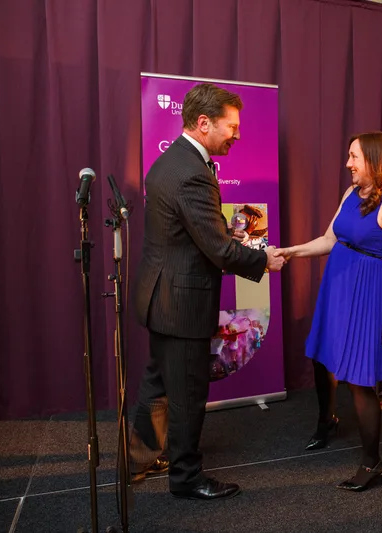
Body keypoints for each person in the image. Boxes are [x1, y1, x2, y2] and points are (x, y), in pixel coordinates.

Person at [129, 83, 285, 500]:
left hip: (159, 296)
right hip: (180, 304)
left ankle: (142, 457)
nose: (237, 135)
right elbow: (217, 247)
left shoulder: (168, 162)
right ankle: (186, 477)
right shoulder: (192, 173)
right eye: (231, 127)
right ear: (203, 123)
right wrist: (263, 259)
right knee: (188, 394)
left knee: (158, 381)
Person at [277, 131, 382, 492]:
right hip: (337, 286)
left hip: (368, 294)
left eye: (354, 157)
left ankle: (373, 464)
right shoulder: (352, 194)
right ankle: (327, 420)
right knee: (322, 359)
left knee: (360, 379)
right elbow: (329, 239)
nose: (348, 163)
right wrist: (289, 252)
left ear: (375, 160)